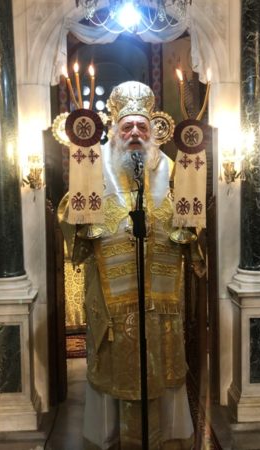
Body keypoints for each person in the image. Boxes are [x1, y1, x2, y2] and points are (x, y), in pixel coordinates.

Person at [59, 81, 194, 450]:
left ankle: (165, 438)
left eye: (142, 127)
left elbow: (189, 219)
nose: (135, 133)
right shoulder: (91, 165)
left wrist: (186, 231)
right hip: (111, 294)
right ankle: (110, 438)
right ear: (115, 129)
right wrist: (82, 223)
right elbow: (70, 217)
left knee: (160, 361)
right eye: (128, 126)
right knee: (114, 363)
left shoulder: (169, 167)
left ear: (153, 131)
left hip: (159, 294)